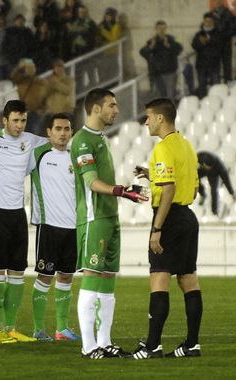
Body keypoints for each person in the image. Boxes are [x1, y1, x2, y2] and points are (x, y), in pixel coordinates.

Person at [69, 88, 148, 359]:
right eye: (111, 105)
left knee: (108, 278)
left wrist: (124, 191)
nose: (116, 110)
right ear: (95, 109)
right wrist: (121, 191)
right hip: (94, 219)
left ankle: (104, 342)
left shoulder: (100, 138)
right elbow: (90, 182)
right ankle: (88, 346)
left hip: (110, 217)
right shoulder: (81, 140)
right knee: (92, 276)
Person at [0, 100, 48, 344]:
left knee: (17, 272)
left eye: (23, 120)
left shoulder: (32, 140)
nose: (19, 125)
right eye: (15, 120)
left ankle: (12, 328)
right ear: (4, 120)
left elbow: (61, 141)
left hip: (17, 214)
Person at [131, 98, 202, 359]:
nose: (147, 121)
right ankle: (192, 344)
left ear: (161, 118)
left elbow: (169, 188)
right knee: (188, 279)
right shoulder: (186, 146)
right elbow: (192, 189)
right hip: (188, 217)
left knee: (159, 277)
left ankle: (152, 346)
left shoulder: (162, 149)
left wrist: (157, 228)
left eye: (149, 117)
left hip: (169, 219)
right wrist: (152, 175)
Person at [29, 113, 79, 342]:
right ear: (48, 132)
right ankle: (39, 329)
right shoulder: (38, 154)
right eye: (58, 128)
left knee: (66, 277)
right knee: (45, 277)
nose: (63, 133)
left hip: (73, 227)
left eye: (67, 129)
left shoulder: (75, 158)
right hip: (48, 226)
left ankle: (62, 329)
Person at [139, 21, 183, 101]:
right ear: (156, 29)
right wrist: (151, 46)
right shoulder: (152, 41)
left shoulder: (171, 39)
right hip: (157, 73)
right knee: (161, 97)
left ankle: (171, 112)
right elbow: (142, 52)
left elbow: (179, 49)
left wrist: (168, 45)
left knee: (170, 96)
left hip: (170, 72)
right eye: (160, 28)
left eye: (163, 28)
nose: (162, 30)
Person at [10, 58, 49, 136]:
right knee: (24, 134)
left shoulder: (40, 82)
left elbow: (46, 96)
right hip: (24, 111)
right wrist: (19, 67)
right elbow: (13, 76)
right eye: (28, 68)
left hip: (36, 112)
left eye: (32, 68)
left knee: (35, 134)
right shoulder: (21, 80)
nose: (30, 70)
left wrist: (43, 108)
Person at [197, 151, 236, 216]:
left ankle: (214, 212)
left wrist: (232, 193)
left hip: (213, 175)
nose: (208, 168)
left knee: (214, 191)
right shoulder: (200, 157)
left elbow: (226, 180)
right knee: (194, 177)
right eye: (206, 166)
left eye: (209, 167)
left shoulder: (220, 168)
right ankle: (202, 193)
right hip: (203, 170)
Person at [192, 13, 221, 98]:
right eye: (206, 21)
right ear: (203, 22)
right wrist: (202, 43)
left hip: (214, 65)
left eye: (210, 21)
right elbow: (194, 45)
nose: (208, 23)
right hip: (201, 65)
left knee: (215, 87)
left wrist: (208, 41)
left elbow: (220, 46)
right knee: (202, 86)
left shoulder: (217, 33)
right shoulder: (199, 34)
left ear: (213, 22)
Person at [211, 0, 235, 83]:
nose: (216, 3)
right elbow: (205, 27)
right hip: (215, 46)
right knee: (215, 67)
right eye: (215, 2)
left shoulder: (229, 14)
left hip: (226, 45)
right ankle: (216, 86)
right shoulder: (211, 14)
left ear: (222, 2)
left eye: (218, 1)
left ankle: (227, 86)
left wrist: (223, 35)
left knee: (227, 67)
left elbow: (233, 29)